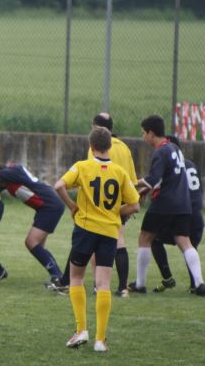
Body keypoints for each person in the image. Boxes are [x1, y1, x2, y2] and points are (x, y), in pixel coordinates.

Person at [55, 126, 140, 352]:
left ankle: (81, 329)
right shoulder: (120, 173)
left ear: (91, 147)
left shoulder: (83, 166)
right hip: (109, 233)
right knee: (103, 284)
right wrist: (114, 212)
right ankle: (100, 340)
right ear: (110, 146)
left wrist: (72, 206)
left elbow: (59, 185)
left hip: (85, 229)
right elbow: (135, 205)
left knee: (76, 277)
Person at [59, 113, 138, 297]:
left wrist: (72, 206)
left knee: (87, 261)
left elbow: (89, 175)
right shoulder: (125, 148)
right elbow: (133, 181)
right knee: (120, 241)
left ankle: (92, 286)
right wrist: (121, 207)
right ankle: (123, 287)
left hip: (93, 211)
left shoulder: (91, 152)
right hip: (117, 205)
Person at [128, 115, 205, 297]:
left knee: (145, 238)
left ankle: (140, 284)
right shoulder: (175, 149)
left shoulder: (161, 151)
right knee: (184, 241)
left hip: (164, 203)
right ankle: (199, 283)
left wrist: (131, 184)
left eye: (143, 133)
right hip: (183, 204)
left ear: (151, 133)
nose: (143, 137)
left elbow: (153, 180)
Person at [0, 163, 65, 286]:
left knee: (31, 242)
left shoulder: (12, 172)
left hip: (50, 206)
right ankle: (59, 277)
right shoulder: (9, 180)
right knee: (38, 246)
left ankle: (58, 278)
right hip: (45, 207)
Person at [151, 135, 205, 294]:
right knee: (190, 247)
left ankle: (167, 277)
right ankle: (196, 284)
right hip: (197, 217)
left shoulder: (172, 167)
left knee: (154, 238)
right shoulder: (192, 165)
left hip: (180, 214)